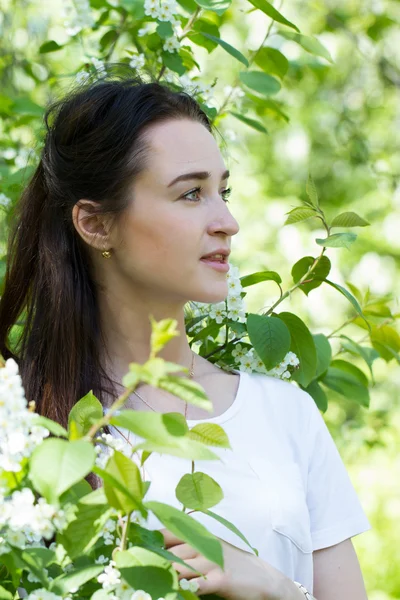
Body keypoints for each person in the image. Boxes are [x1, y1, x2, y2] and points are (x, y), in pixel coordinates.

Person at [0, 68, 371, 600]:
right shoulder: (25, 427)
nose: (227, 221)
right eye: (191, 194)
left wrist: (273, 588)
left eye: (223, 191)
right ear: (96, 224)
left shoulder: (284, 413)